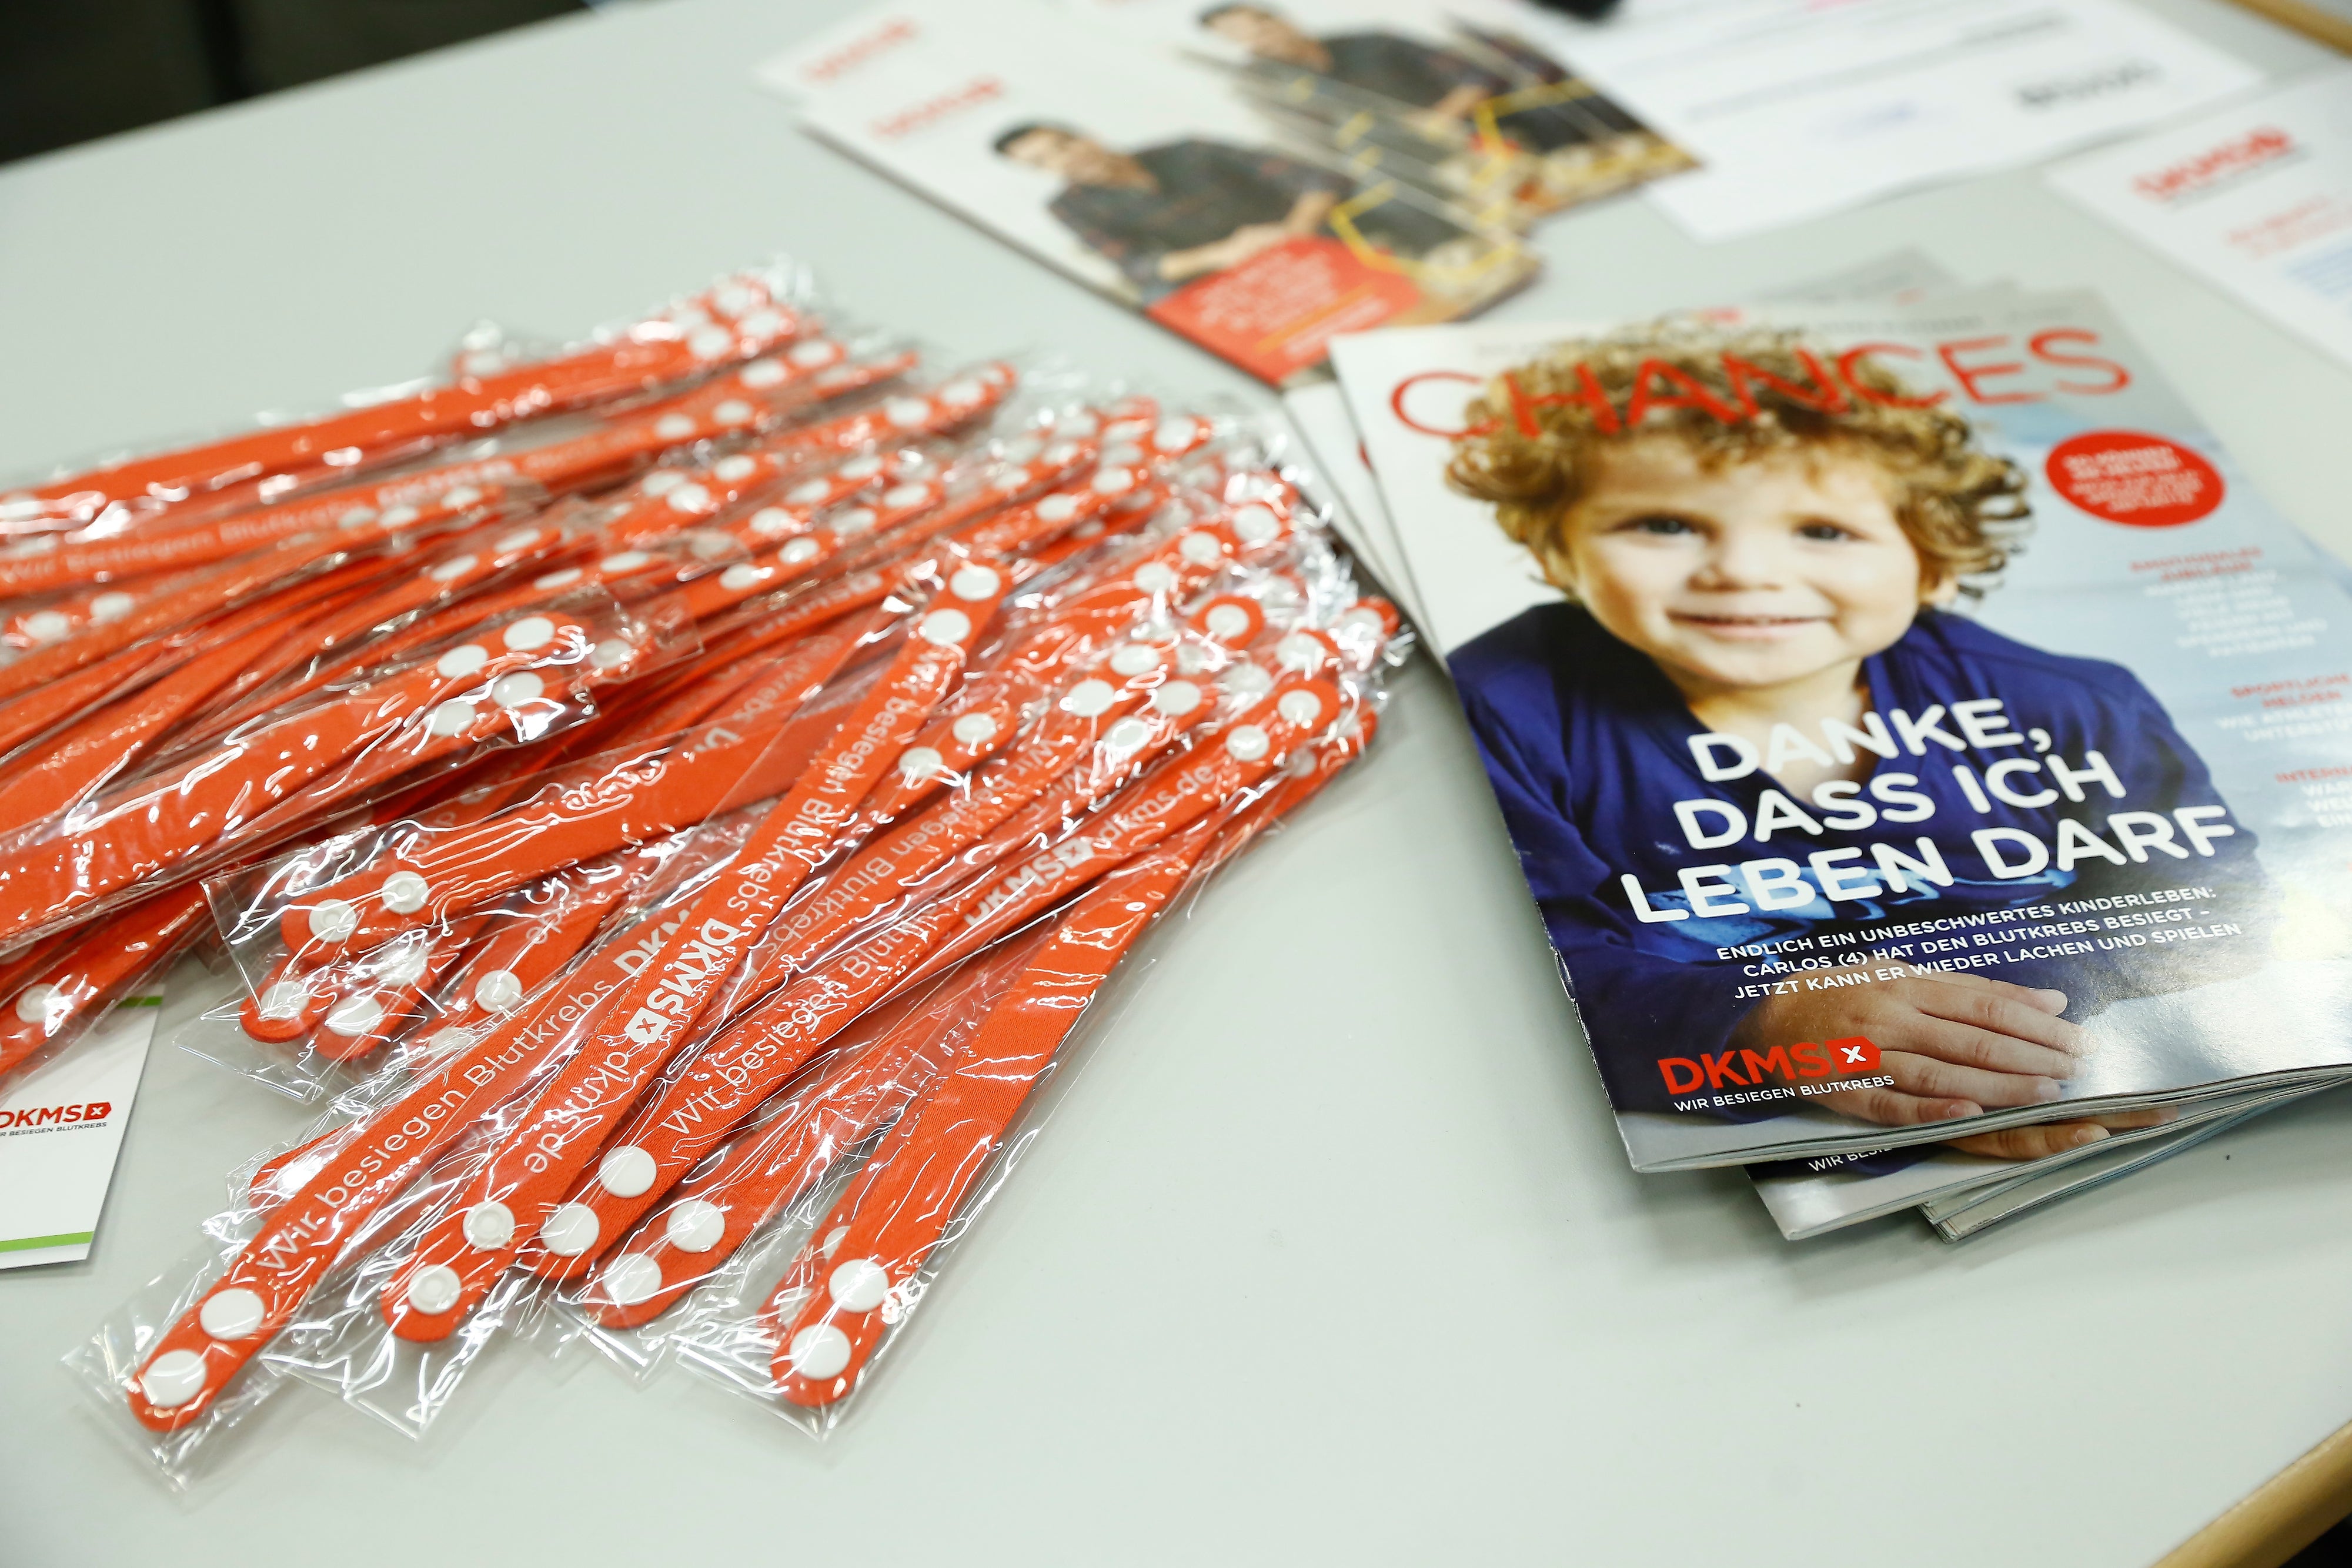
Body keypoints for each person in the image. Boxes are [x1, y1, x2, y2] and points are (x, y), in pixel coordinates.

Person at [1444, 323, 2268, 1156]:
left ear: (1933, 559)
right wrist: (1771, 1027)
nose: (1742, 571)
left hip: (2057, 1046)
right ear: (1556, 546)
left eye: (1824, 531)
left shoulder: (2069, 703)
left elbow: (2211, 897)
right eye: (1664, 524)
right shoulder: (1501, 709)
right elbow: (1529, 965)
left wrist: (1982, 1049)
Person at [991, 121, 1468, 303]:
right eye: (1045, 161)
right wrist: (1228, 252)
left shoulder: (1186, 147)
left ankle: (1468, 258)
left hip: (1312, 230)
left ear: (1083, 135)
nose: (1065, 160)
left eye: (1062, 145)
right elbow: (1136, 264)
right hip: (1231, 274)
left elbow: (1310, 175)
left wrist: (1295, 228)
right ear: (1040, 172)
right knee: (1160, 301)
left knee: (1384, 195)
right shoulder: (1069, 207)